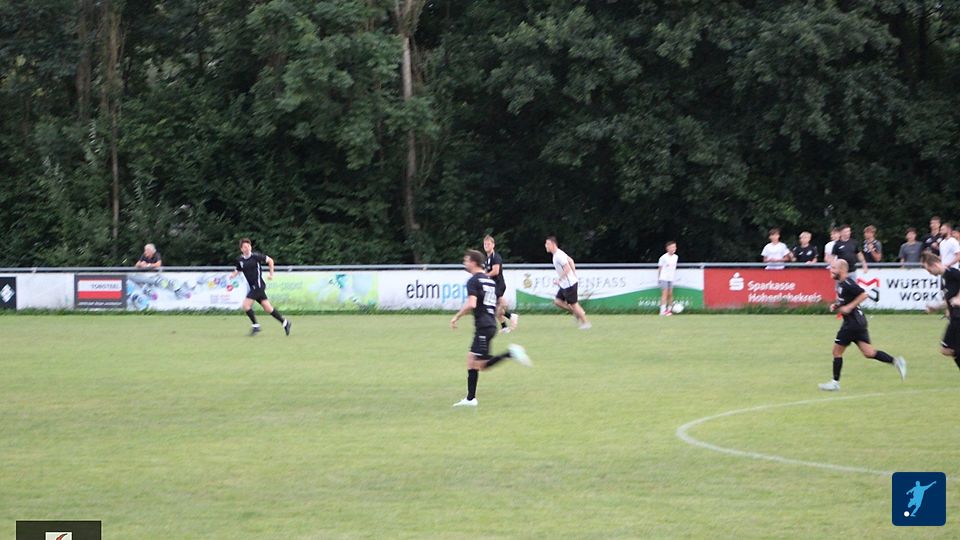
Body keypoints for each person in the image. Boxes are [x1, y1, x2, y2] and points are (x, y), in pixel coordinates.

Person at [450, 250, 531, 407]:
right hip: (489, 324)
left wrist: (457, 316)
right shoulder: (489, 281)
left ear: (473, 262)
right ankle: (470, 399)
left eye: (466, 260)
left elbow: (472, 304)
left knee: (481, 364)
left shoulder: (473, 281)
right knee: (471, 359)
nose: (465, 263)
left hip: (483, 326)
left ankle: (510, 353)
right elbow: (502, 303)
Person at [818, 259, 906, 391]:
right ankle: (896, 361)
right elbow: (846, 299)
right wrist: (837, 305)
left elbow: (863, 294)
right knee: (869, 353)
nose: (831, 270)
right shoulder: (841, 284)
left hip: (852, 324)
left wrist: (849, 307)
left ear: (842, 270)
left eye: (834, 268)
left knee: (836, 352)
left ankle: (835, 383)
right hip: (858, 322)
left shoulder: (847, 283)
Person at [229, 238, 291, 336]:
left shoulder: (256, 256)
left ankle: (256, 326)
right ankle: (285, 323)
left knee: (246, 305)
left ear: (251, 247)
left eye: (248, 246)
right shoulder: (240, 260)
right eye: (245, 247)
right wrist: (233, 275)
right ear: (241, 249)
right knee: (268, 308)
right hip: (253, 287)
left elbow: (270, 261)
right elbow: (238, 269)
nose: (247, 248)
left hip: (258, 286)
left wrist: (271, 274)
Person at [920, 251, 960, 373]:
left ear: (935, 265)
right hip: (954, 318)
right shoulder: (944, 279)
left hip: (958, 318)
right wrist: (936, 308)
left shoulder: (952, 272)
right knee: (948, 350)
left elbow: (956, 300)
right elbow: (950, 300)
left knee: (950, 349)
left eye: (928, 269)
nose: (929, 273)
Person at [545, 236, 591, 329]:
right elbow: (571, 260)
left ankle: (585, 323)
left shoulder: (558, 255)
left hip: (569, 284)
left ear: (553, 244)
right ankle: (577, 313)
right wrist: (574, 274)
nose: (546, 246)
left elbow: (567, 268)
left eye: (547, 244)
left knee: (574, 304)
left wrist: (560, 279)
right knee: (558, 302)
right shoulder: (557, 254)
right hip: (565, 284)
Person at [482, 235, 519, 333]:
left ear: (493, 245)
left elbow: (495, 271)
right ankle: (505, 325)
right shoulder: (487, 259)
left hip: (498, 285)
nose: (486, 246)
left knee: (493, 306)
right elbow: (486, 270)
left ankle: (510, 317)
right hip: (493, 287)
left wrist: (485, 275)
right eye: (485, 244)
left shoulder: (496, 257)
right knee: (496, 307)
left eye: (488, 244)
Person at [658, 241, 679, 316]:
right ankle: (662, 311)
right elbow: (660, 268)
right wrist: (659, 278)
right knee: (665, 293)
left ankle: (669, 310)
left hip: (671, 278)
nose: (674, 248)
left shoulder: (676, 257)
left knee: (670, 294)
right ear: (668, 248)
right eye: (672, 247)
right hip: (664, 278)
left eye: (674, 247)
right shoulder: (663, 257)